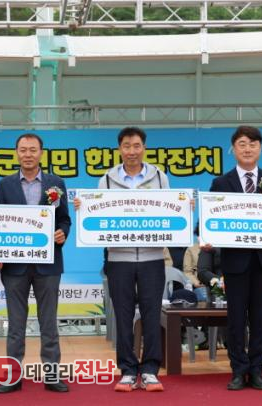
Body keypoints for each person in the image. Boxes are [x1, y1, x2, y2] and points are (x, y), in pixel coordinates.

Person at [75, 127, 169, 392]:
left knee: (152, 314)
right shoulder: (106, 179)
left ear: (144, 148)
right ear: (119, 149)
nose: (132, 151)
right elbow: (97, 214)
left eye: (136, 146)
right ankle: (127, 370)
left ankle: (150, 370)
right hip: (118, 258)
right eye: (126, 146)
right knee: (123, 316)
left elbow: (170, 209)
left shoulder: (159, 177)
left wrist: (185, 208)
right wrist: (84, 209)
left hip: (152, 257)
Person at [0, 133, 71, 394]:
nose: (28, 154)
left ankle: (51, 375)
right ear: (16, 153)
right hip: (14, 266)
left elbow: (64, 219)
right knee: (15, 325)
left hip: (48, 264)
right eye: (23, 150)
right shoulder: (5, 185)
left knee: (48, 323)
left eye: (33, 150)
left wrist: (62, 233)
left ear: (41, 153)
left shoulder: (56, 183)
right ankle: (13, 377)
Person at [209, 126, 262, 391]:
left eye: (253, 144)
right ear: (233, 149)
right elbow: (210, 219)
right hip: (235, 262)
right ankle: (238, 370)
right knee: (236, 319)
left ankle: (258, 370)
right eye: (242, 144)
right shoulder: (221, 183)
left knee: (260, 318)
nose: (247, 148)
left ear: (260, 148)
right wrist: (205, 233)